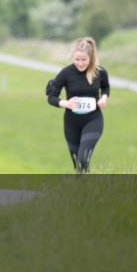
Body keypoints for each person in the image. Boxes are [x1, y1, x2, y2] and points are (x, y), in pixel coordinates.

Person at [46, 36, 110, 173]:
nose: (80, 64)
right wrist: (65, 103)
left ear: (91, 58)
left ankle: (84, 189)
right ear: (73, 58)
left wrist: (104, 98)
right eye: (77, 60)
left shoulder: (100, 73)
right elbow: (51, 97)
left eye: (84, 60)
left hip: (93, 120)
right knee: (77, 163)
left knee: (83, 158)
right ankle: (82, 189)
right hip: (71, 123)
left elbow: (105, 88)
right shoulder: (66, 73)